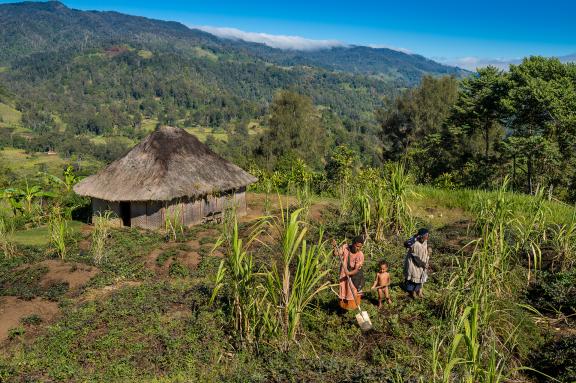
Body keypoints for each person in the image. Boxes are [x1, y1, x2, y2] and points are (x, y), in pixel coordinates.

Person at [333, 236, 365, 310]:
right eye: (357, 246)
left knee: (352, 291)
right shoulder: (345, 247)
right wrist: (334, 246)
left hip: (354, 276)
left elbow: (356, 269)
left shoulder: (360, 255)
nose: (358, 248)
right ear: (353, 244)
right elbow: (336, 254)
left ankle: (354, 309)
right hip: (344, 275)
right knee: (344, 289)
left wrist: (349, 273)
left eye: (360, 247)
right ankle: (344, 309)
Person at [403, 228, 430, 299]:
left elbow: (425, 249)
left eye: (427, 235)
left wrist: (428, 250)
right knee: (413, 279)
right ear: (421, 236)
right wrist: (423, 264)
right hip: (414, 264)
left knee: (420, 278)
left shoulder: (425, 241)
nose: (427, 236)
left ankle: (419, 292)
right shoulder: (415, 244)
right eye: (426, 235)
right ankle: (412, 292)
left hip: (421, 262)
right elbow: (415, 257)